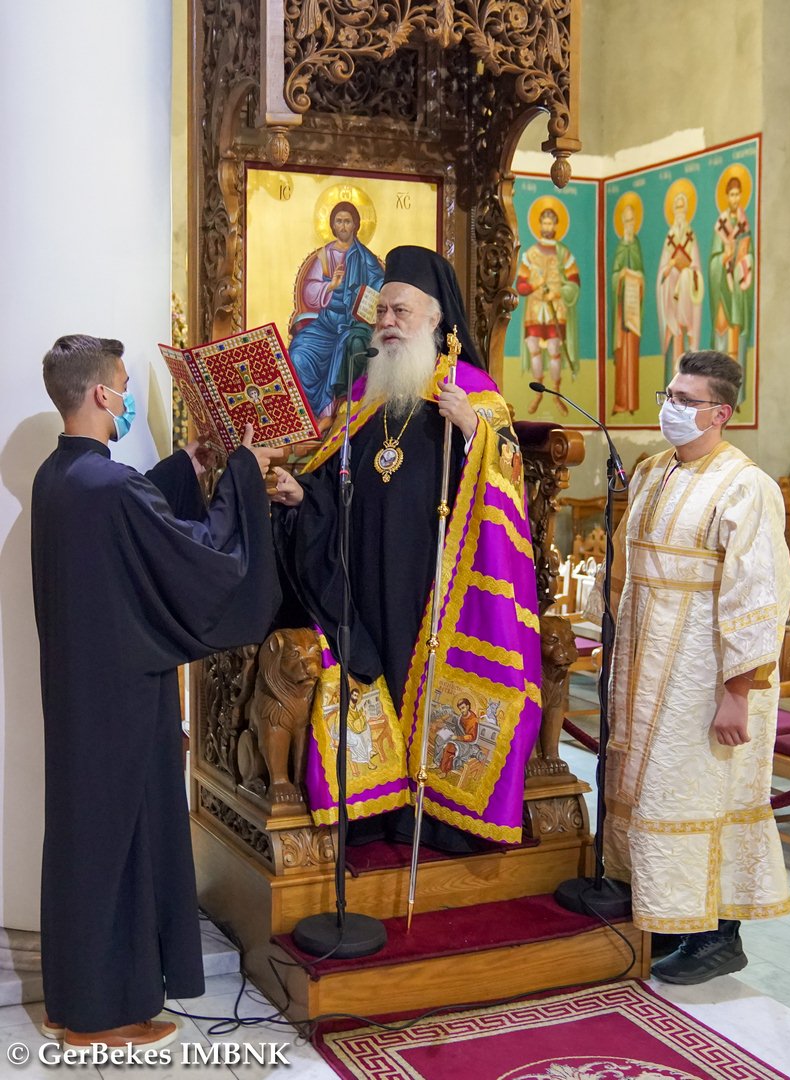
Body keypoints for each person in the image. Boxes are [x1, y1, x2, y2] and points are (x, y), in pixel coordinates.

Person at [32, 335, 282, 1049]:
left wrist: (184, 468)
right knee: (123, 844)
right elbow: (203, 555)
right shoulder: (109, 488)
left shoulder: (59, 477)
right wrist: (241, 473)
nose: (126, 397)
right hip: (123, 698)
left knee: (83, 841)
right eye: (121, 384)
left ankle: (73, 1001)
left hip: (80, 696)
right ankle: (106, 1015)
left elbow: (135, 532)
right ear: (102, 393)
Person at [272, 246, 542, 850]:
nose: (388, 322)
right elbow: (331, 479)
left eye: (401, 311)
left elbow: (508, 477)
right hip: (364, 574)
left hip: (434, 580)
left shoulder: (472, 392)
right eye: (382, 312)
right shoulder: (366, 394)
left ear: (436, 320)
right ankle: (374, 808)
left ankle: (435, 808)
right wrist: (301, 495)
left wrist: (471, 428)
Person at [587, 350, 790, 984]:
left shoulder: (746, 487)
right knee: (645, 789)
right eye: (668, 395)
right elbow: (624, 566)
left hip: (704, 676)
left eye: (685, 400)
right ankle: (666, 914)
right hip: (644, 663)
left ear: (720, 413)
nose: (670, 408)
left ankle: (718, 937)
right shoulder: (652, 471)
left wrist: (738, 694)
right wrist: (603, 635)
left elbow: (759, 596)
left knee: (704, 794)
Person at [288, 200, 384, 419]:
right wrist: (330, 286)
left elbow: (380, 284)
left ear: (355, 225)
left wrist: (369, 290)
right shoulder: (324, 256)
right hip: (326, 323)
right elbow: (309, 291)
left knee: (352, 347)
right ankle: (310, 419)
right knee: (298, 353)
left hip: (352, 323)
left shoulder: (364, 257)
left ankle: (335, 417)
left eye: (347, 221)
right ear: (332, 225)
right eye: (338, 221)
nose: (343, 226)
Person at [517, 206, 580, 415]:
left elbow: (574, 281)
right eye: (544, 223)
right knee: (534, 347)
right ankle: (538, 392)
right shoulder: (531, 254)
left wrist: (558, 291)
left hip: (556, 308)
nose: (547, 227)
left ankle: (556, 394)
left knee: (554, 349)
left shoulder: (563, 254)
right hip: (535, 309)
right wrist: (534, 285)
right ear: (540, 226)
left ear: (555, 226)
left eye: (550, 223)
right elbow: (521, 285)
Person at [709, 176, 754, 405]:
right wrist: (723, 257)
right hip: (723, 290)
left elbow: (750, 255)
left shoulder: (744, 226)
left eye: (738, 194)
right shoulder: (721, 225)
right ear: (726, 197)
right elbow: (713, 261)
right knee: (722, 332)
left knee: (737, 336)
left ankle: (735, 396)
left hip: (737, 290)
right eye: (732, 194)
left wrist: (744, 260)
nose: (735, 199)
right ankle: (717, 396)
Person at [657, 191, 703, 385]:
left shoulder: (691, 237)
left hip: (687, 302)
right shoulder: (669, 238)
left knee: (685, 341)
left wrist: (687, 274)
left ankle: (688, 387)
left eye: (682, 208)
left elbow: (696, 269)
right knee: (674, 337)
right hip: (672, 302)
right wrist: (670, 267)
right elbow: (662, 274)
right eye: (677, 208)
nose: (680, 212)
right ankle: (672, 388)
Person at [611, 201, 645, 415]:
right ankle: (621, 401)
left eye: (632, 220)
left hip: (634, 313)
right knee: (622, 354)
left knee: (632, 355)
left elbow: (642, 275)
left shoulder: (636, 245)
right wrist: (620, 276)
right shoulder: (620, 247)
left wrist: (637, 278)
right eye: (626, 221)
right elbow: (614, 277)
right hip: (621, 312)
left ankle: (632, 402)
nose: (629, 224)